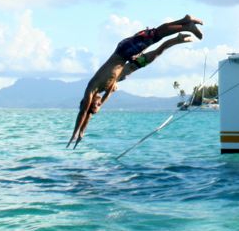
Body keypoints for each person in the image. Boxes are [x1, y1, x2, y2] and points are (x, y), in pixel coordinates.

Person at [68, 15, 203, 148]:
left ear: (88, 102)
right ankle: (181, 30)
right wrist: (82, 133)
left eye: (95, 105)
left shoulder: (91, 89)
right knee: (156, 49)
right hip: (130, 60)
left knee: (156, 34)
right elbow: (90, 113)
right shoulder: (104, 91)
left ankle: (187, 23)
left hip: (123, 52)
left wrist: (75, 133)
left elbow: (84, 112)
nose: (97, 106)